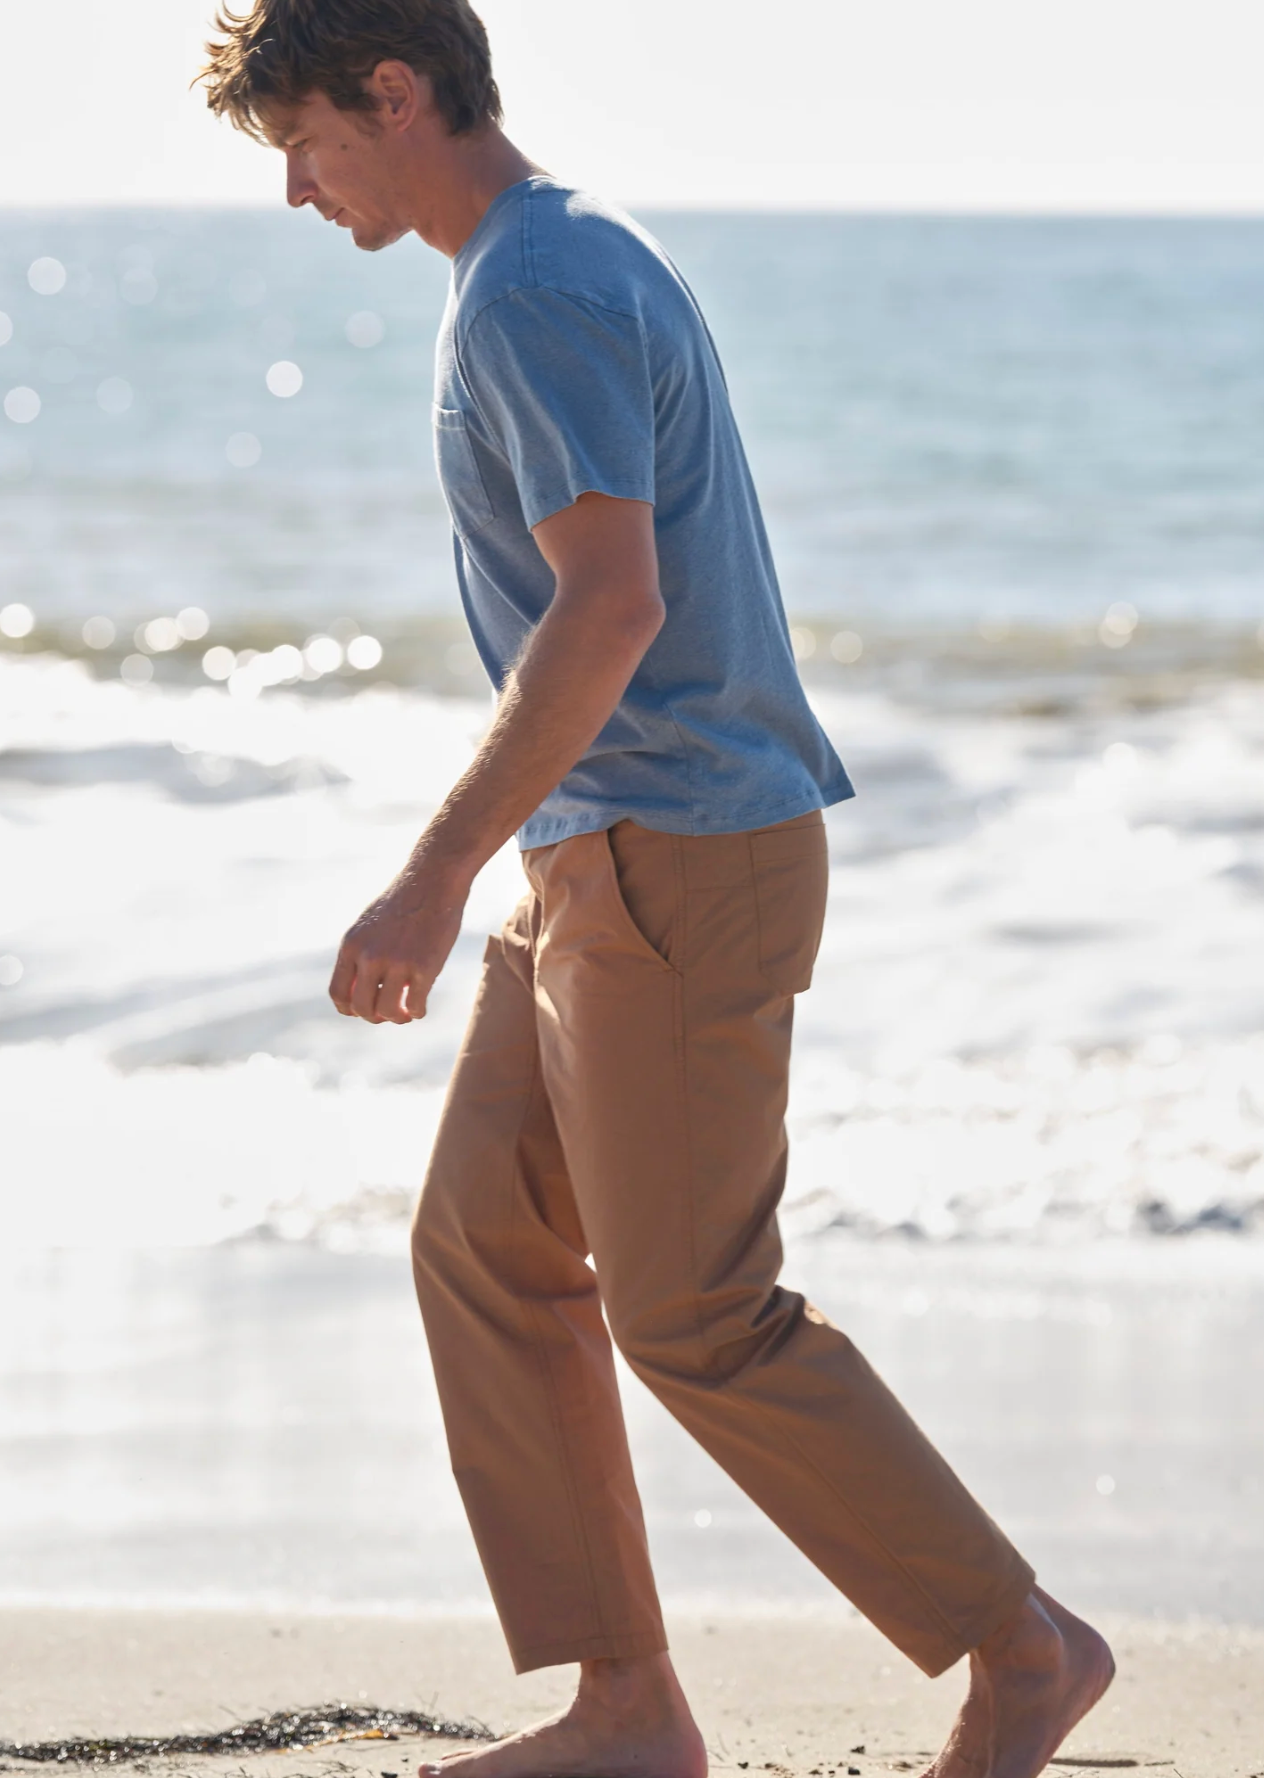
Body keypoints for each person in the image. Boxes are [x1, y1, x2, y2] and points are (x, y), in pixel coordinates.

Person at [200, 5, 1113, 1774]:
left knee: (696, 1310)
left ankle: (1025, 1648)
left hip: (675, 855)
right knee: (484, 1243)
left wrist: (425, 875)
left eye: (305, 144)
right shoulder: (543, 259)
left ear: (396, 94)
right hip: (596, 855)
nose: (298, 193)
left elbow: (606, 608)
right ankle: (625, 1706)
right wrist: (516, 863)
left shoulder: (536, 287)